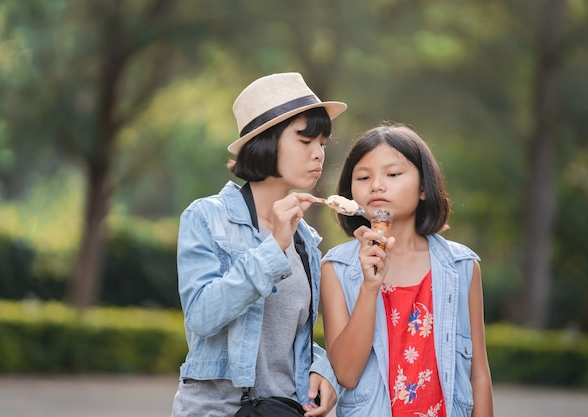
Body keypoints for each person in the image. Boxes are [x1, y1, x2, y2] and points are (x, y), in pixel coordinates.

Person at [171, 72, 347, 417]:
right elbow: (202, 318)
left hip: (284, 408)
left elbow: (285, 340)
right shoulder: (206, 217)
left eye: (323, 144)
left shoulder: (306, 240)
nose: (318, 155)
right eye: (305, 141)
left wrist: (323, 369)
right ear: (266, 143)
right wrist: (272, 248)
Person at [320, 123, 494, 417]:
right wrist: (369, 287)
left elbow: (479, 374)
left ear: (424, 188)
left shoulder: (462, 266)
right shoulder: (336, 268)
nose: (376, 185)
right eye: (363, 177)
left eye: (393, 174)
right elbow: (346, 374)